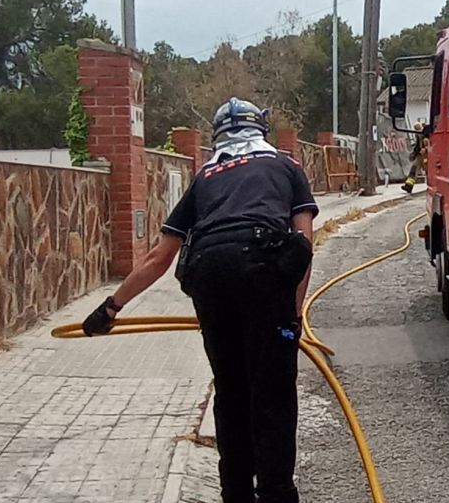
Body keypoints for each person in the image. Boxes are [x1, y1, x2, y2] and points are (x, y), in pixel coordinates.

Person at [82, 98, 318, 503]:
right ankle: (277, 493)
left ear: (218, 136)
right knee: (272, 393)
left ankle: (236, 494)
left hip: (209, 276)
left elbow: (160, 258)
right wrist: (291, 316)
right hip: (263, 273)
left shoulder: (206, 176)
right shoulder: (285, 167)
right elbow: (303, 244)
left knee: (231, 391)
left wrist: (109, 308)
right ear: (259, 129)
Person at [401, 120, 430, 194]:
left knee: (429, 171)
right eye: (416, 129)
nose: (417, 131)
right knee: (414, 169)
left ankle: (433, 186)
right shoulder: (418, 135)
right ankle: (409, 186)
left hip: (428, 156)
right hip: (420, 156)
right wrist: (414, 153)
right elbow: (417, 146)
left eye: (418, 129)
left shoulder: (427, 133)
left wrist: (426, 149)